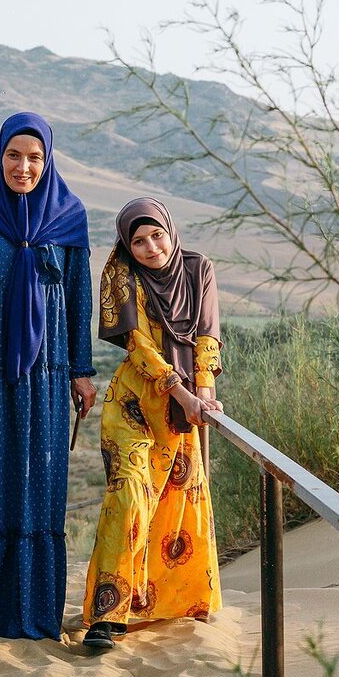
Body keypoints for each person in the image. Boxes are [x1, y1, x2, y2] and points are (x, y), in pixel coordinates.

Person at [0, 112, 96, 640]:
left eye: (34, 158)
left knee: (34, 479)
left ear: (48, 160)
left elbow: (79, 299)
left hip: (46, 373)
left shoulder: (70, 217)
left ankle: (26, 609)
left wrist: (81, 371)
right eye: (14, 155)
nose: (23, 167)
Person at [82, 197, 224, 651]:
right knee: (128, 496)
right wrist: (182, 390)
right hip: (134, 405)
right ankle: (107, 617)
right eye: (138, 240)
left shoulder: (198, 268)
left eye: (156, 235)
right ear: (127, 243)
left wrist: (203, 389)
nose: (149, 247)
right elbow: (138, 346)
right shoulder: (122, 275)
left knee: (179, 504)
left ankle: (170, 603)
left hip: (180, 412)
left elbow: (207, 332)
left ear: (170, 230)